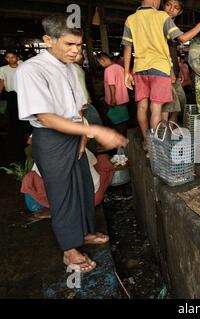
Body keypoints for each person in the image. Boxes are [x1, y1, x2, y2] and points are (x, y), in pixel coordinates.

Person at [15, 15, 128, 273]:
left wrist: (84, 136)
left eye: (79, 45)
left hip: (75, 134)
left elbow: (79, 108)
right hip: (52, 138)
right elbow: (46, 117)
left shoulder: (69, 68)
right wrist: (96, 130)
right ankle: (69, 250)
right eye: (69, 44)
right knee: (62, 194)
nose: (75, 51)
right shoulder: (31, 70)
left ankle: (84, 232)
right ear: (48, 40)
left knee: (83, 185)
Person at [122, 0, 200, 151]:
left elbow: (127, 46)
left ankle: (147, 141)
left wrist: (126, 72)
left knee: (142, 106)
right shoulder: (161, 17)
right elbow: (183, 39)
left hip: (139, 69)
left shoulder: (131, 19)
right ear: (157, 1)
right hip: (159, 69)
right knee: (156, 108)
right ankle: (156, 146)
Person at [163, 0, 188, 124]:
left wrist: (178, 70)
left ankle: (171, 126)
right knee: (171, 104)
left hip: (174, 72)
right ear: (163, 6)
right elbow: (163, 52)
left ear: (180, 11)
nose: (171, 9)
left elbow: (172, 52)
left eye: (176, 7)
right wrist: (170, 72)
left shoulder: (172, 27)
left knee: (181, 101)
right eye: (168, 5)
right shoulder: (161, 23)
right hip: (165, 71)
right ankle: (165, 130)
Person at [97, 52, 130, 135]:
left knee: (116, 120)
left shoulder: (108, 70)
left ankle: (119, 139)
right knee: (123, 119)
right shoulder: (120, 68)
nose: (100, 64)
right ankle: (124, 136)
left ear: (103, 60)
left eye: (100, 62)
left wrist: (113, 98)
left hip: (115, 100)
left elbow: (112, 85)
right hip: (123, 99)